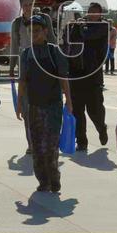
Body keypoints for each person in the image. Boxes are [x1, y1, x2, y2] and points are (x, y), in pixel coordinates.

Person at [17, 15, 74, 194]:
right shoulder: (26, 54)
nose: (34, 34)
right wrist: (19, 104)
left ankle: (54, 179)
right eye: (31, 31)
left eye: (37, 30)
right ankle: (42, 181)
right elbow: (23, 82)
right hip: (33, 106)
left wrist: (69, 103)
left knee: (51, 146)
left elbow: (63, 79)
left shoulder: (54, 51)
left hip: (53, 106)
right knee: (37, 146)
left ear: (45, 32)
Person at [10, 0, 55, 155]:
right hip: (25, 65)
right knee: (27, 108)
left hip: (43, 65)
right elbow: (14, 46)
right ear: (21, 6)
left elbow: (52, 40)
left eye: (31, 4)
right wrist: (11, 66)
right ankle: (31, 143)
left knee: (45, 106)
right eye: (25, 5)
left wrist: (56, 60)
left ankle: (45, 139)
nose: (28, 7)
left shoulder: (44, 19)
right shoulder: (16, 24)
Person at [65, 1, 109, 151]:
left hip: (93, 74)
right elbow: (69, 40)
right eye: (90, 11)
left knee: (95, 109)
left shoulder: (103, 27)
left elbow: (87, 35)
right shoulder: (78, 26)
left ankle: (101, 128)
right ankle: (81, 141)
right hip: (76, 73)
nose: (92, 14)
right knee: (77, 110)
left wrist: (79, 25)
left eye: (96, 12)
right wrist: (73, 25)